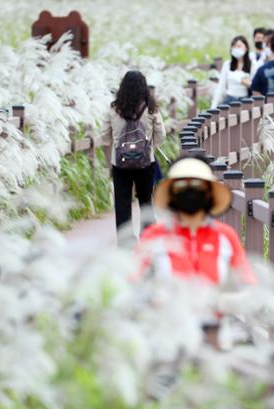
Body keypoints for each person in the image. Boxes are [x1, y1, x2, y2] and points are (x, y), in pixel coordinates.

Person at [138, 156, 255, 285]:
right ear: (171, 193)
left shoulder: (225, 236)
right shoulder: (154, 236)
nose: (190, 189)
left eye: (197, 183)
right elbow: (132, 283)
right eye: (181, 184)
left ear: (209, 191)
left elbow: (248, 284)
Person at [101, 71, 166, 238]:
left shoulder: (114, 109)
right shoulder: (150, 109)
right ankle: (149, 237)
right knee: (146, 201)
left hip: (120, 163)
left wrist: (115, 146)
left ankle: (125, 242)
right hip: (146, 162)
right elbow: (161, 134)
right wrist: (150, 147)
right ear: (143, 87)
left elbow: (104, 137)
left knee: (122, 203)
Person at [211, 36, 256, 108]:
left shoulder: (252, 65)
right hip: (229, 98)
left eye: (239, 46)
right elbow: (221, 86)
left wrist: (248, 83)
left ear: (246, 48)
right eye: (234, 46)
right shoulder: (227, 64)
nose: (236, 49)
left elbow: (256, 86)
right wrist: (214, 105)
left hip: (245, 100)